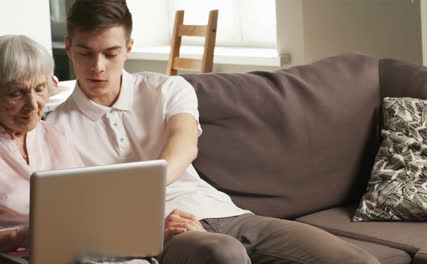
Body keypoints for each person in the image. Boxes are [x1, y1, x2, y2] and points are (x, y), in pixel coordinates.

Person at [47, 1, 381, 263]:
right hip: (163, 232)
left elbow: (184, 145)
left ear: (129, 47)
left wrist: (143, 190)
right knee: (224, 254)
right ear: (68, 46)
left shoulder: (167, 88)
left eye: (111, 53)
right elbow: (77, 218)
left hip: (224, 212)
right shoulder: (54, 128)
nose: (98, 67)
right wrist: (145, 224)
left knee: (354, 259)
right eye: (85, 53)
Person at [0, 34, 83, 252]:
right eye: (16, 93)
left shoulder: (54, 135)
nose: (32, 105)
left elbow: (86, 204)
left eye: (39, 89)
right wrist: (16, 236)